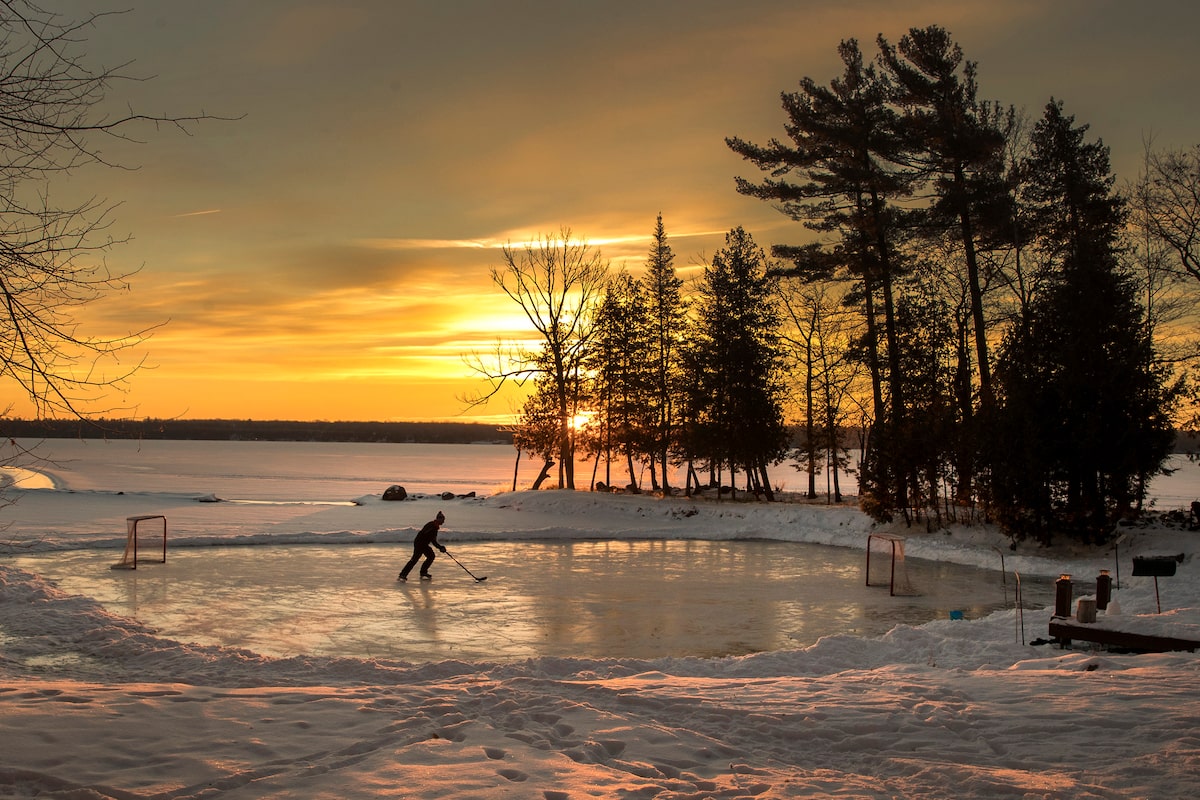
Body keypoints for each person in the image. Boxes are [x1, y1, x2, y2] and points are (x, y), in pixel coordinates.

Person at [398, 511, 446, 581]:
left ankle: (423, 572)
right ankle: (403, 574)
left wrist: (440, 547)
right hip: (420, 544)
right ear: (439, 519)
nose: (443, 522)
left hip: (423, 544)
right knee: (415, 559)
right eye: (443, 520)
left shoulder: (434, 526)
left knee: (431, 556)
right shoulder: (432, 526)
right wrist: (440, 547)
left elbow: (432, 539)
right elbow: (430, 538)